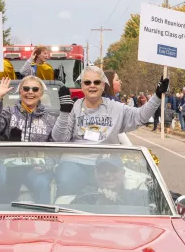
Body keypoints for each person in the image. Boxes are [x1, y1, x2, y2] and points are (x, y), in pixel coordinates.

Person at [51, 65, 169, 196]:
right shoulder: (74, 106)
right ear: (82, 86)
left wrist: (157, 96)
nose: (92, 86)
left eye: (96, 82)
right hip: (75, 162)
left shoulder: (116, 107)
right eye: (87, 82)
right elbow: (59, 139)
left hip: (106, 163)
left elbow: (140, 117)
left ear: (103, 85)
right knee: (66, 182)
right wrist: (64, 112)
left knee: (129, 194)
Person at [0, 76, 58, 203]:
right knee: (5, 185)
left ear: (41, 93)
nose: (30, 92)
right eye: (26, 88)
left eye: (35, 89)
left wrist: (46, 165)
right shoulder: (9, 112)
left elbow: (55, 148)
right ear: (20, 92)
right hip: (8, 164)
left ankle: (44, 220)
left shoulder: (50, 119)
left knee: (42, 184)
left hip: (35, 167)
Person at [71, 154, 148, 207]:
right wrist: (100, 204)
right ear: (95, 174)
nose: (107, 174)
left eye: (113, 170)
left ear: (123, 173)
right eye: (102, 170)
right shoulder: (86, 195)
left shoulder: (135, 195)